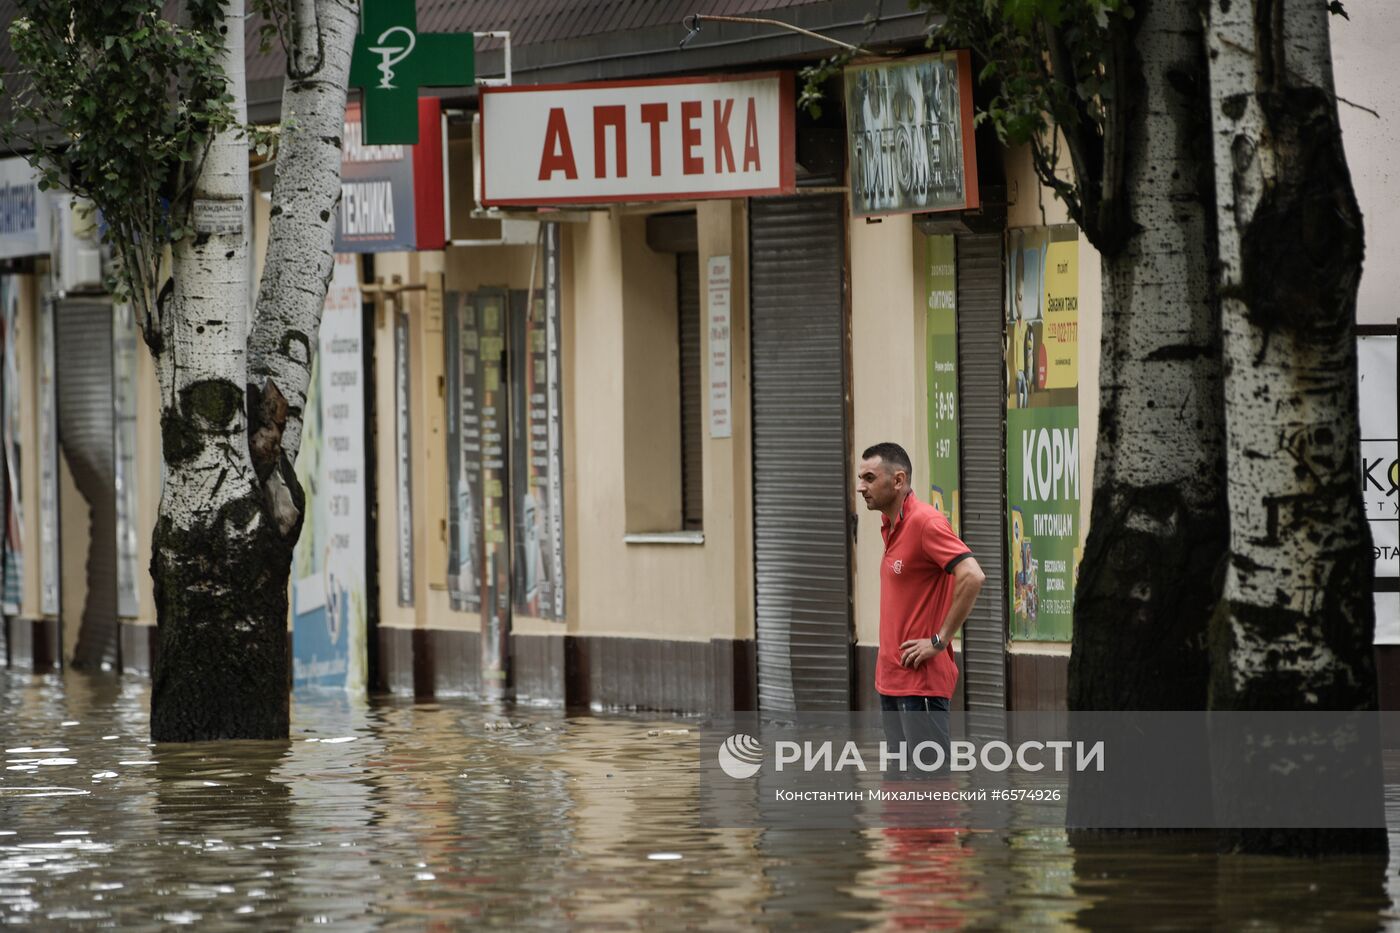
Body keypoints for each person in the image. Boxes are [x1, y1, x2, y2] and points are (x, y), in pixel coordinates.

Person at [856, 442, 985, 775]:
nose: (861, 487)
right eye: (861, 478)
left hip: (921, 685)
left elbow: (972, 575)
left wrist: (939, 640)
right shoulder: (890, 525)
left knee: (930, 793)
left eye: (869, 478)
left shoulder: (926, 522)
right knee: (898, 794)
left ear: (898, 481)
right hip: (892, 681)